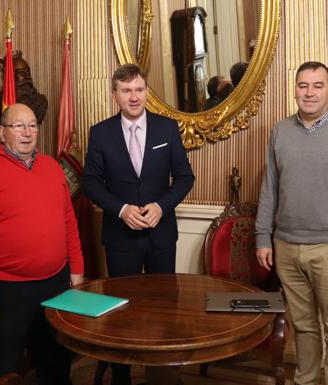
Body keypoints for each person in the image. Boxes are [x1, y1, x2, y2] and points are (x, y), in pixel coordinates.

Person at [255, 61, 328, 385]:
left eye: (317, 85)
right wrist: (262, 237)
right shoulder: (280, 131)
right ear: (295, 89)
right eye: (303, 85)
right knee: (304, 327)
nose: (309, 93)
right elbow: (270, 189)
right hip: (286, 247)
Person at [82, 63, 194, 385]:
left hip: (161, 236)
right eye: (127, 91)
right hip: (120, 237)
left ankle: (162, 376)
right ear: (114, 94)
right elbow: (91, 181)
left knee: (164, 310)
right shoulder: (100, 132)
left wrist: (162, 205)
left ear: (147, 91)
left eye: (139, 90)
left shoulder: (166, 129)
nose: (134, 97)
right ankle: (122, 376)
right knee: (121, 312)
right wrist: (121, 209)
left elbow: (185, 177)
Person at [0, 103, 84, 385]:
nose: (27, 133)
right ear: (2, 132)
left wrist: (76, 267)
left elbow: (69, 222)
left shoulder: (52, 168)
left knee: (56, 363)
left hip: (56, 284)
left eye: (33, 126)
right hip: (5, 291)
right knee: (3, 370)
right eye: (19, 126)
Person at [0, 51, 48, 125]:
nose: (27, 77)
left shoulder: (40, 101)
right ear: (10, 77)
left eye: (28, 72)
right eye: (21, 73)